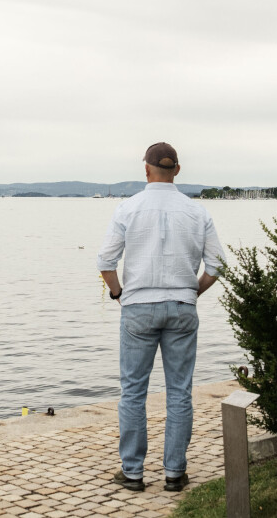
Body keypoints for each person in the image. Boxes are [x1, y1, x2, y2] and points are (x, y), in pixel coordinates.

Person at [97, 142, 224, 492]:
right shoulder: (197, 212)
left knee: (133, 393)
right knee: (180, 392)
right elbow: (217, 265)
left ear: (146, 169)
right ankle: (174, 474)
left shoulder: (128, 208)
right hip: (182, 308)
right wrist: (192, 293)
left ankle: (133, 473)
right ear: (177, 170)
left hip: (138, 307)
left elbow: (105, 262)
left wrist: (118, 293)